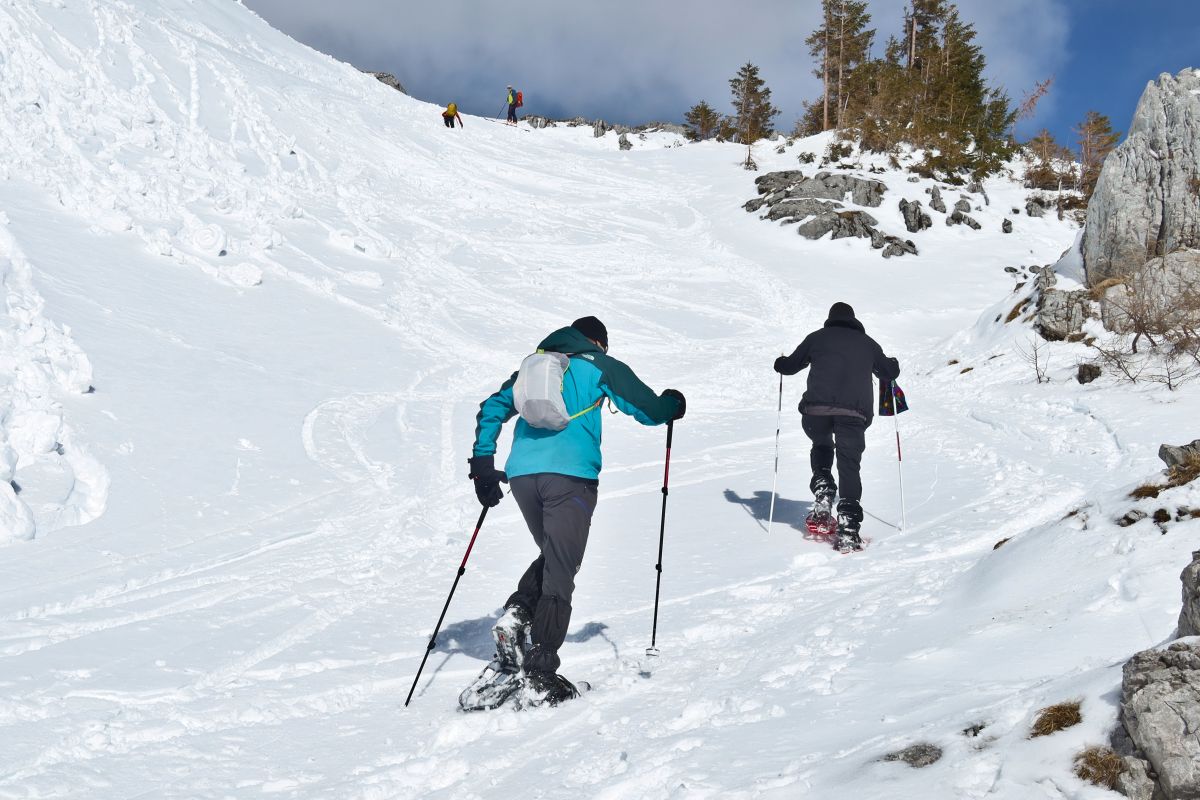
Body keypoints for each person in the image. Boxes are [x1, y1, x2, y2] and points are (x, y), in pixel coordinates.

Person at [469, 316, 685, 704]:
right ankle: (540, 670)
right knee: (562, 568)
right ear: (599, 343)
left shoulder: (532, 368)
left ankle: (518, 617)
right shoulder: (598, 365)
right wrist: (674, 404)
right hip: (570, 478)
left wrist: (483, 464)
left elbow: (492, 408)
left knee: (556, 557)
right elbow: (649, 409)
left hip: (522, 476)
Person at [773, 302, 900, 553]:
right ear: (853, 320)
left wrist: (780, 362)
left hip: (815, 412)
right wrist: (893, 363)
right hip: (854, 415)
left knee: (820, 444)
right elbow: (889, 371)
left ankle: (823, 487)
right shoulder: (868, 343)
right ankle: (849, 526)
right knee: (849, 464)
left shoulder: (816, 338)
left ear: (830, 319)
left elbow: (789, 367)